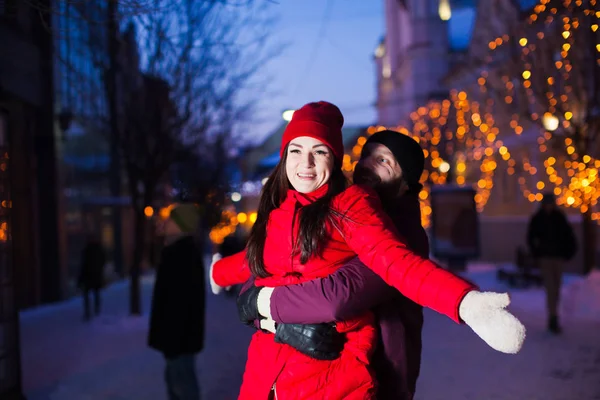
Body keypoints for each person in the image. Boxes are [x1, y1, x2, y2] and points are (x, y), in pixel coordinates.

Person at [211, 101, 525, 400]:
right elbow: (257, 259)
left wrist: (466, 303)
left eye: (319, 151)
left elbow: (388, 270)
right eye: (296, 150)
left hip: (341, 375)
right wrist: (220, 274)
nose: (305, 163)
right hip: (266, 376)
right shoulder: (282, 210)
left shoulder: (356, 208)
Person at [235, 129, 436, 399]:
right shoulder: (345, 212)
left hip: (382, 375)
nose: (366, 166)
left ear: (406, 182)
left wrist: (266, 309)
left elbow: (337, 295)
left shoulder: (402, 235)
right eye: (366, 155)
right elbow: (271, 273)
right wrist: (269, 319)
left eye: (384, 161)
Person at [148, 203, 206, 400]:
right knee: (177, 384)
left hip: (178, 339)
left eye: (171, 219)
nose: (165, 222)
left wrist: (172, 340)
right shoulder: (177, 251)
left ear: (181, 225)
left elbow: (180, 305)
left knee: (182, 387)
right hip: (177, 338)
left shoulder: (181, 254)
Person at [527, 192, 577, 334]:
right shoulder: (538, 219)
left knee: (556, 287)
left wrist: (568, 252)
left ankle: (554, 315)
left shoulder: (559, 217)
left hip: (557, 257)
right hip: (546, 257)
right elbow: (531, 237)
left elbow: (568, 236)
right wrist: (537, 253)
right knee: (551, 288)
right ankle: (553, 317)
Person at [78, 234, 106, 321]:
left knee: (88, 294)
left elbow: (83, 265)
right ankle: (96, 310)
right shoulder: (98, 249)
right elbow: (102, 261)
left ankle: (88, 312)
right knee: (95, 293)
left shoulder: (87, 250)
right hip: (95, 275)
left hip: (88, 276)